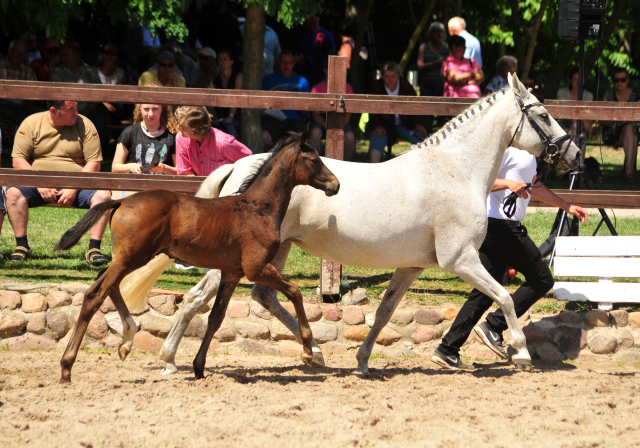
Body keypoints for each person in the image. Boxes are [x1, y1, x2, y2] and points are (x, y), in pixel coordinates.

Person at [431, 146, 588, 370]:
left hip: (498, 226)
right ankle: (494, 326)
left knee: (485, 290)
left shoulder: (530, 154)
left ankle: (447, 349)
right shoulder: (505, 149)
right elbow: (478, 181)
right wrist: (508, 184)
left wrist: (567, 206)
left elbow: (535, 185)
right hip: (499, 225)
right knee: (541, 279)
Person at [6, 100, 112, 265]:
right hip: (38, 184)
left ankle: (94, 248)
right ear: (54, 111)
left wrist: (73, 187)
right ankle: (22, 246)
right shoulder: (32, 122)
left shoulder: (85, 124)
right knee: (13, 193)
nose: (76, 112)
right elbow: (18, 160)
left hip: (78, 183)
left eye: (76, 107)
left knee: (104, 196)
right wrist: (39, 183)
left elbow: (94, 163)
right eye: (70, 109)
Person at [367, 61, 428, 163]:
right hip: (383, 124)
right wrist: (377, 125)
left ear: (398, 76)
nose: (390, 80)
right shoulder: (377, 86)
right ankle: (374, 169)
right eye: (387, 76)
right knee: (377, 138)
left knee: (420, 137)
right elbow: (372, 108)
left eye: (393, 76)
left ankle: (424, 166)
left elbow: (415, 105)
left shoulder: (405, 85)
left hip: (404, 124)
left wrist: (418, 123)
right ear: (382, 76)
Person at [174, 105, 252, 176]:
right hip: (199, 189)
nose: (177, 127)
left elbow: (250, 162)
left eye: (182, 127)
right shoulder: (181, 138)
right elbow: (185, 173)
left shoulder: (224, 143)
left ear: (196, 130)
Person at [261, 50, 310, 150]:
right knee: (262, 137)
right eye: (283, 62)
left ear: (294, 63)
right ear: (278, 63)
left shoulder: (303, 82)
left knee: (299, 140)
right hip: (273, 120)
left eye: (289, 62)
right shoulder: (268, 80)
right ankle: (274, 157)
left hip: (296, 120)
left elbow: (307, 110)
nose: (286, 65)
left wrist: (305, 109)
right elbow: (262, 104)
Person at [112, 103, 178, 175]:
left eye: (155, 109)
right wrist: (131, 167)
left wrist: (164, 168)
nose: (150, 114)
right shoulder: (129, 132)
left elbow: (180, 171)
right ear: (140, 108)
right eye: (146, 109)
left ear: (162, 108)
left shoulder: (172, 135)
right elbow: (115, 168)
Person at [309, 57, 356, 161]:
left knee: (350, 137)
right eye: (329, 68)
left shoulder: (347, 87)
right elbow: (315, 114)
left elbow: (349, 112)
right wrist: (326, 125)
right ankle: (314, 164)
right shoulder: (317, 88)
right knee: (315, 133)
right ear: (325, 70)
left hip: (341, 118)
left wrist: (340, 125)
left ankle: (346, 165)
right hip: (322, 119)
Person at [600, 67, 639, 182]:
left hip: (630, 130)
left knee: (629, 129)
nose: (620, 83)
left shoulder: (636, 96)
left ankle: (628, 172)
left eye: (623, 79)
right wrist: (618, 120)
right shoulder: (608, 95)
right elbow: (602, 120)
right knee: (633, 136)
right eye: (617, 80)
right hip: (612, 131)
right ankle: (629, 173)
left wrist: (624, 120)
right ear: (613, 81)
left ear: (627, 80)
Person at [417, 22, 450, 132]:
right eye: (436, 31)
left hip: (442, 87)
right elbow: (420, 65)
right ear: (430, 34)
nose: (439, 34)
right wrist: (438, 62)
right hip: (427, 87)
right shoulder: (424, 47)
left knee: (442, 116)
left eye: (441, 31)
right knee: (426, 116)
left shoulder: (448, 48)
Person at [0, 39, 42, 126]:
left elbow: (33, 99)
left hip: (21, 109)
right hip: (2, 106)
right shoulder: (1, 65)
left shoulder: (28, 72)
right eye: (17, 52)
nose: (20, 56)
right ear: (10, 51)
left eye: (23, 53)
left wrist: (23, 105)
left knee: (35, 114)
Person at [556, 67, 593, 148]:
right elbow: (565, 112)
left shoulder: (588, 95)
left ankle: (573, 157)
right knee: (581, 135)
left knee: (577, 126)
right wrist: (581, 118)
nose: (578, 82)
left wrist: (580, 119)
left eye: (580, 79)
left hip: (582, 125)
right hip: (564, 123)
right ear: (570, 80)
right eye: (575, 79)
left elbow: (587, 115)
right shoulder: (562, 93)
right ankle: (577, 159)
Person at [296, 14, 336, 86]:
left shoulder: (326, 35)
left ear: (312, 19)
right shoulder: (303, 36)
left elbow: (331, 56)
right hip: (304, 77)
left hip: (321, 77)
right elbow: (298, 55)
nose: (304, 21)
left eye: (306, 18)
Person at [212, 49, 243, 139]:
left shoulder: (238, 76)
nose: (222, 62)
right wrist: (215, 118)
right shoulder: (215, 80)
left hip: (236, 116)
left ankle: (236, 151)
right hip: (220, 117)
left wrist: (230, 116)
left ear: (231, 61)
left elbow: (236, 98)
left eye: (225, 59)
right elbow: (210, 104)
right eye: (220, 59)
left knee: (229, 126)